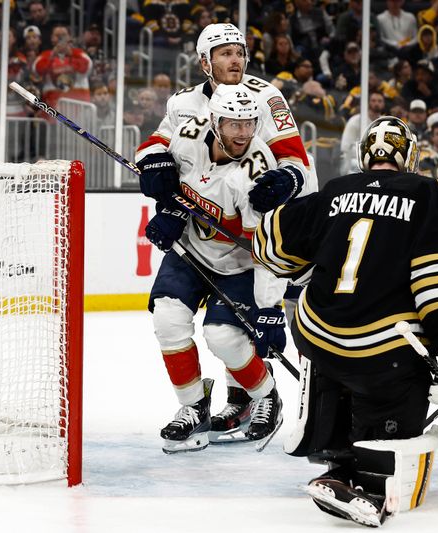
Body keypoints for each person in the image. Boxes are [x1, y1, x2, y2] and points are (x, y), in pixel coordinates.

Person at [252, 115, 438, 527]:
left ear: (364, 156)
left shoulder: (336, 190)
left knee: (331, 346)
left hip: (319, 339)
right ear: (410, 157)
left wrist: (313, 261)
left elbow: (269, 243)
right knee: (392, 400)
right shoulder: (432, 195)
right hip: (383, 356)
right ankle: (370, 479)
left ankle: (332, 451)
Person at [135, 22, 314, 442]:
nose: (236, 59)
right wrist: (159, 173)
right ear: (205, 62)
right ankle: (194, 405)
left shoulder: (266, 96)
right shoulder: (184, 106)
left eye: (240, 51)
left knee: (227, 334)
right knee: (169, 319)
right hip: (197, 238)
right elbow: (157, 146)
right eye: (225, 53)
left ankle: (253, 395)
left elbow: (296, 163)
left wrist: (285, 182)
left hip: (251, 232)